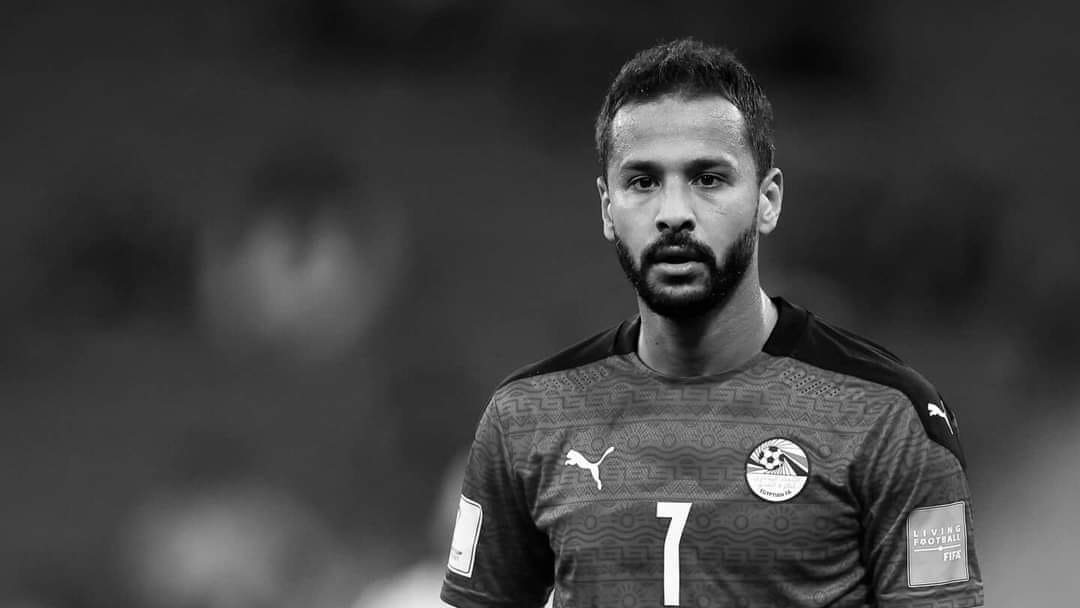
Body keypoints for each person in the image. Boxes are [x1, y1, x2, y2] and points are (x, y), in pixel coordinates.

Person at [440, 38, 983, 607]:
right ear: (607, 208)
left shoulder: (889, 416)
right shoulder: (526, 417)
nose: (674, 213)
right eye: (643, 182)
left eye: (708, 179)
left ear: (768, 200)